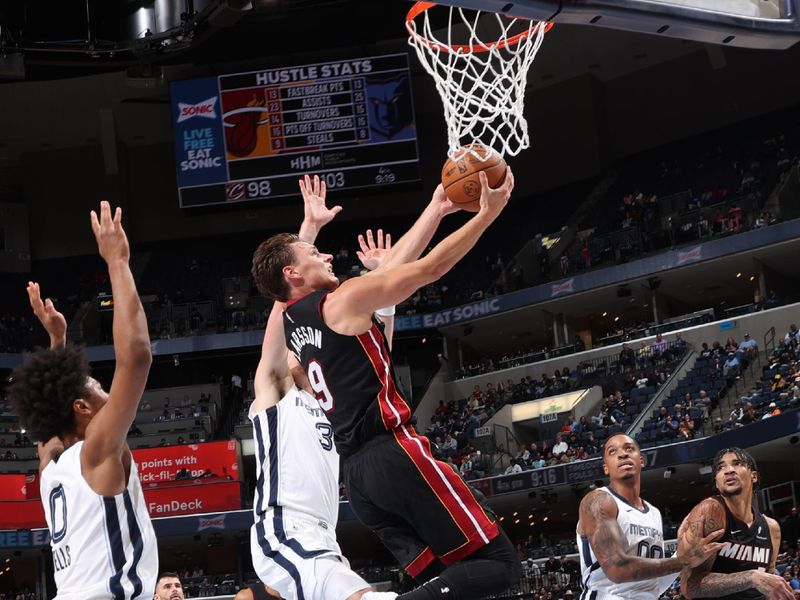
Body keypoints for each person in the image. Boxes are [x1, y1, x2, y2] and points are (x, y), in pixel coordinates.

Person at [251, 171, 519, 599]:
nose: (327, 257)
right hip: (394, 453)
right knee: (500, 565)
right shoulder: (339, 302)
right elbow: (428, 269)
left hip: (358, 482)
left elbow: (387, 275)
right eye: (314, 253)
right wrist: (487, 214)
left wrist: (437, 209)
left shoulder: (296, 325)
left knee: (442, 579)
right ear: (293, 272)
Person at [247, 180, 390, 600]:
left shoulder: (330, 402)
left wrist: (384, 294)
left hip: (324, 538)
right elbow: (282, 311)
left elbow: (377, 363)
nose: (299, 352)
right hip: (284, 528)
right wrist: (307, 232)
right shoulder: (276, 397)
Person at [9, 201, 157, 599]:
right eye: (98, 387)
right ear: (82, 408)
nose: (109, 392)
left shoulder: (52, 470)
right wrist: (117, 261)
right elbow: (138, 356)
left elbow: (49, 428)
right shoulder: (97, 452)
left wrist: (58, 342)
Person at [576, 434, 723, 599]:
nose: (622, 454)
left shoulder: (654, 513)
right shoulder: (598, 501)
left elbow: (653, 586)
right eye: (612, 451)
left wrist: (682, 553)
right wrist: (684, 561)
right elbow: (617, 568)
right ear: (606, 468)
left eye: (629, 449)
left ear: (641, 460)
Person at [678, 447, 795, 599]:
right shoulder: (711, 511)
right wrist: (750, 577)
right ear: (717, 482)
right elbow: (690, 587)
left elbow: (768, 582)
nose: (728, 470)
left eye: (737, 463)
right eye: (721, 467)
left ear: (754, 476)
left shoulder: (772, 527)